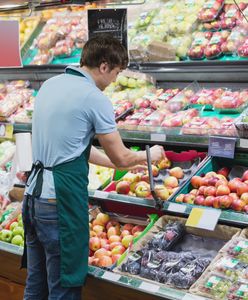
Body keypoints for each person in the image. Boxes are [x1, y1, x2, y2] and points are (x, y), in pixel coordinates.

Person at [22, 34, 165, 300]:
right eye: (116, 72)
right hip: (59, 203)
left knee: (36, 283)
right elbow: (123, 157)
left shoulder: (51, 85)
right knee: (63, 286)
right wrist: (149, 155)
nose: (114, 81)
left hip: (33, 198)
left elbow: (74, 148)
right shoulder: (93, 97)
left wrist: (116, 162)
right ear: (103, 66)